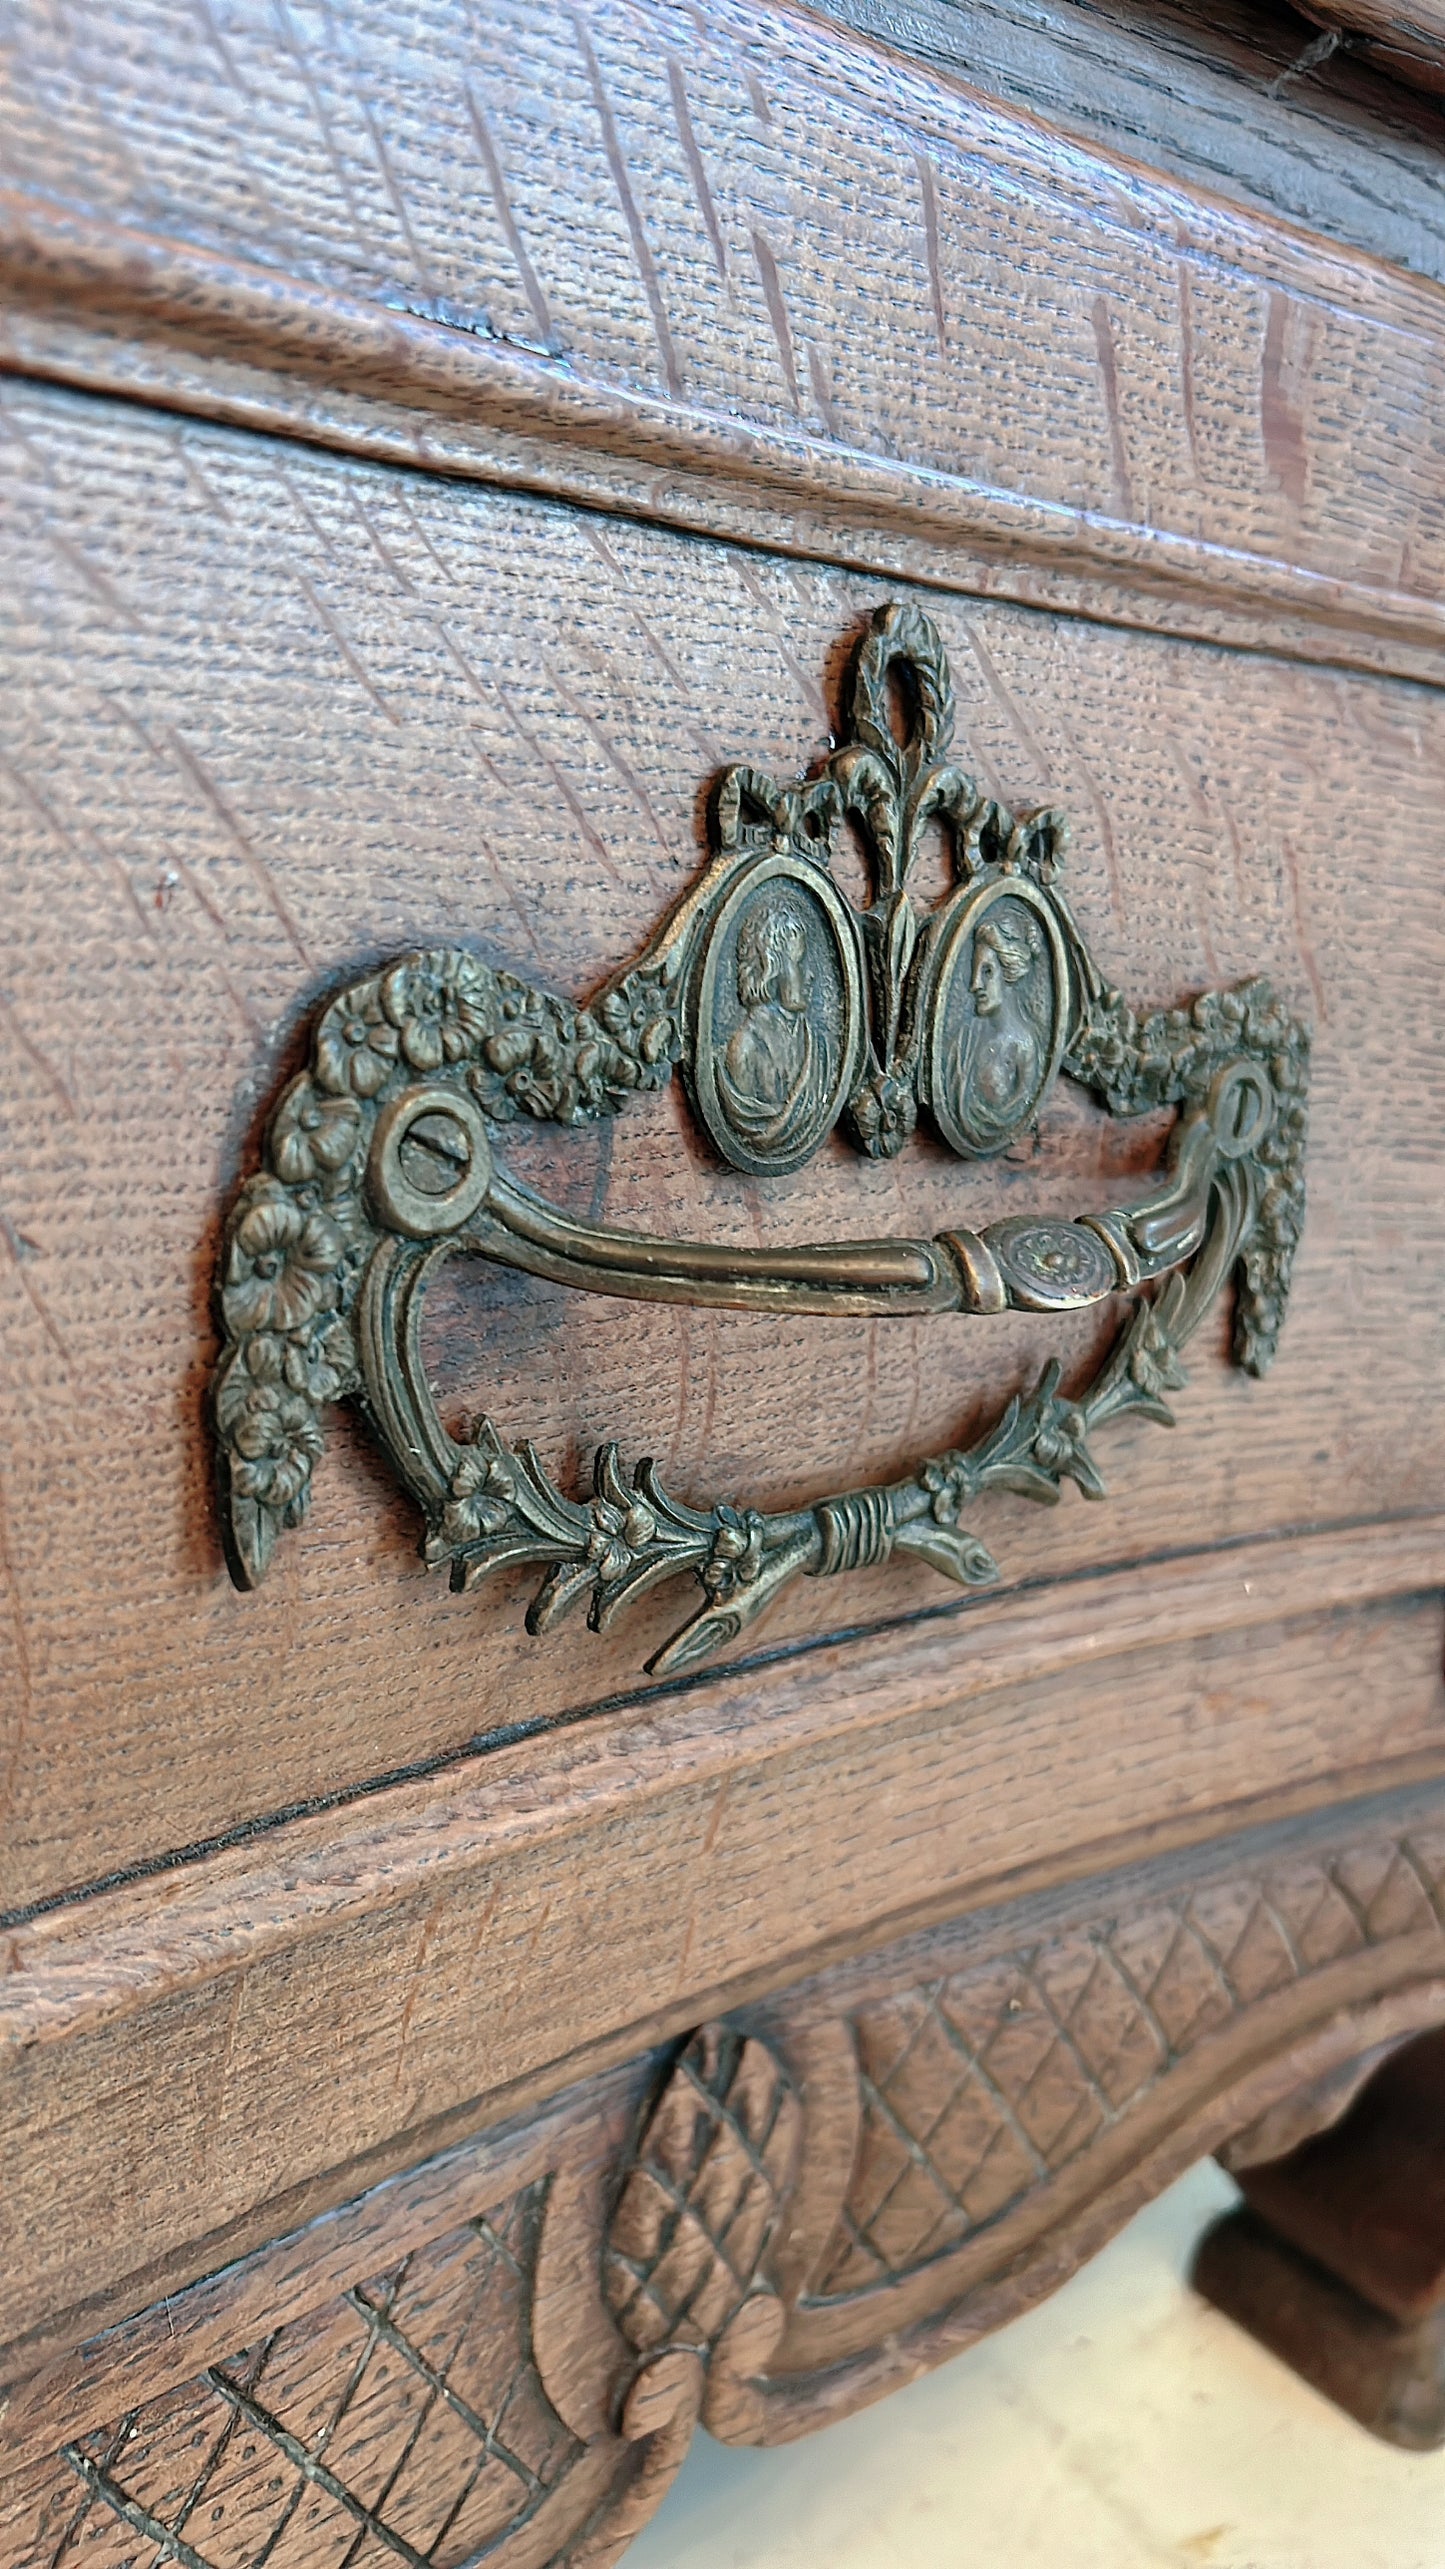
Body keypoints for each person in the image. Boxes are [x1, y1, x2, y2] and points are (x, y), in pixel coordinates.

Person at [718, 893, 834, 1159]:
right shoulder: (744, 1050)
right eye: (800, 961)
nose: (812, 973)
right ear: (770, 967)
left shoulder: (818, 1048)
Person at [958, 904, 1050, 1140]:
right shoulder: (967, 1039)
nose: (975, 984)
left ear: (1010, 973)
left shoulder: (1025, 1049)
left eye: (987, 972)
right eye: (975, 972)